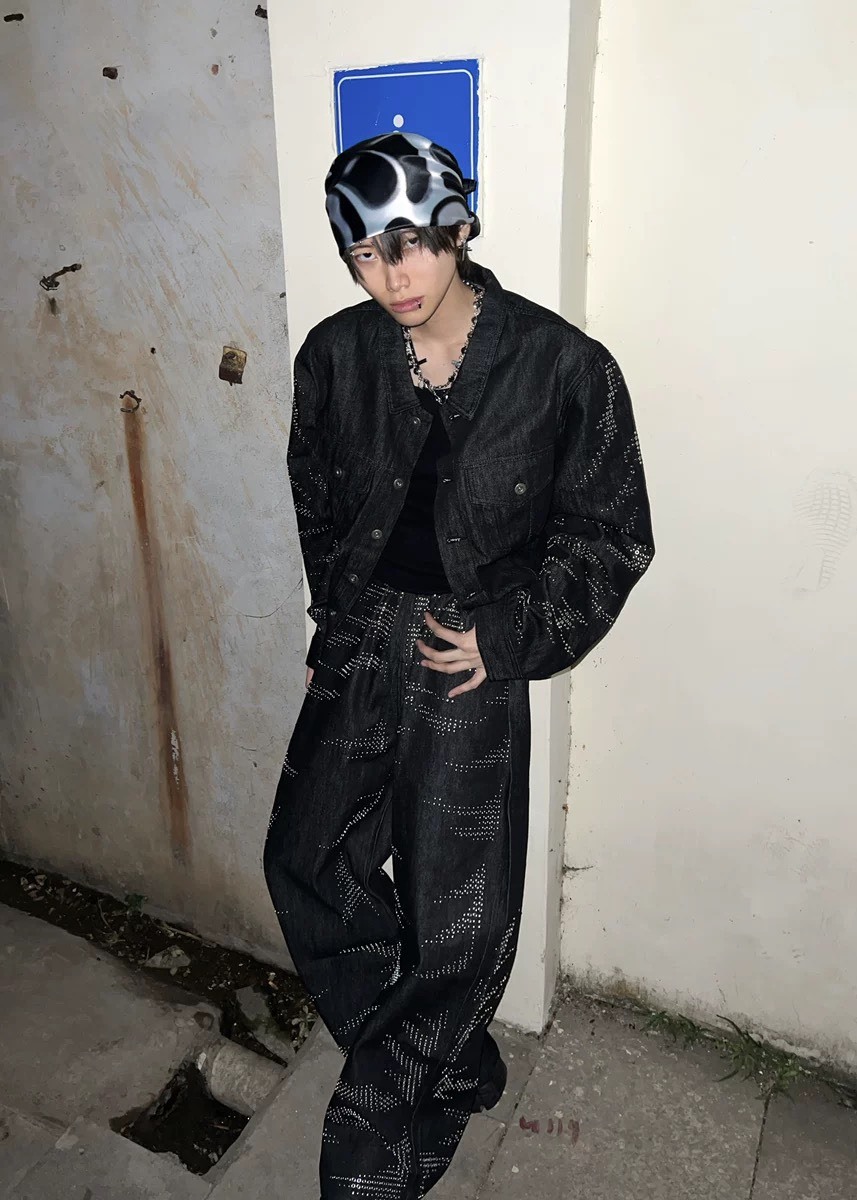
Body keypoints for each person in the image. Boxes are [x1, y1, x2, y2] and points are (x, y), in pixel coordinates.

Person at [264, 131, 655, 1200]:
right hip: (361, 638)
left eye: (409, 245)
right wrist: (337, 614)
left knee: (456, 916)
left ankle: (377, 1133)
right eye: (364, 254)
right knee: (304, 860)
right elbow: (313, 491)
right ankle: (444, 1056)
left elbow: (611, 535)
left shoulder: (563, 366)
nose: (390, 276)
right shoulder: (334, 355)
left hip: (470, 652)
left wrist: (510, 635)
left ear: (459, 229)